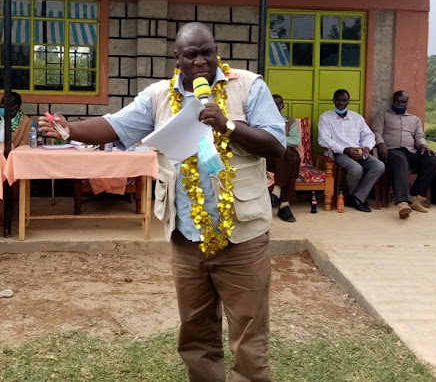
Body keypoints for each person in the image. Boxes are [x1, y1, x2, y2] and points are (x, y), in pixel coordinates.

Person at [38, 22, 285, 381]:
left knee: (249, 337)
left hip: (242, 237)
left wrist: (227, 125)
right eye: (191, 54)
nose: (201, 61)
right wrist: (70, 130)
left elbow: (276, 145)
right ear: (176, 57)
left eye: (207, 52)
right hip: (186, 239)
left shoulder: (247, 86)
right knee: (195, 333)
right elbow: (114, 125)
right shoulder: (158, 96)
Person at [371, 90, 436, 219]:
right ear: (392, 101)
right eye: (397, 101)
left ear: (407, 102)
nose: (400, 104)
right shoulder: (383, 115)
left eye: (403, 102)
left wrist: (423, 145)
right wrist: (381, 144)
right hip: (391, 150)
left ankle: (413, 196)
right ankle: (402, 203)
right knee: (400, 161)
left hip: (411, 150)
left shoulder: (414, 119)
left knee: (433, 160)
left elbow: (419, 136)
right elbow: (376, 131)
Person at [318, 89, 384, 213]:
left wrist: (366, 147)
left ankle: (355, 198)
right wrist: (345, 149)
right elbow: (323, 139)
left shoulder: (357, 118)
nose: (341, 103)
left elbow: (369, 135)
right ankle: (358, 200)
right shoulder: (325, 117)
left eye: (344, 100)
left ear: (348, 101)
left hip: (359, 152)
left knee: (379, 166)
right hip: (339, 153)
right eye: (338, 100)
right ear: (333, 101)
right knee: (356, 169)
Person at [266, 94, 301, 222]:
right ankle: (284, 206)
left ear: (282, 106)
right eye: (272, 103)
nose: (275, 106)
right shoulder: (263, 122)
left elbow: (295, 141)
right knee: (290, 158)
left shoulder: (290, 122)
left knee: (288, 156)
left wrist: (275, 141)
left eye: (278, 104)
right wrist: (281, 142)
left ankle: (276, 192)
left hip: (284, 160)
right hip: (269, 158)